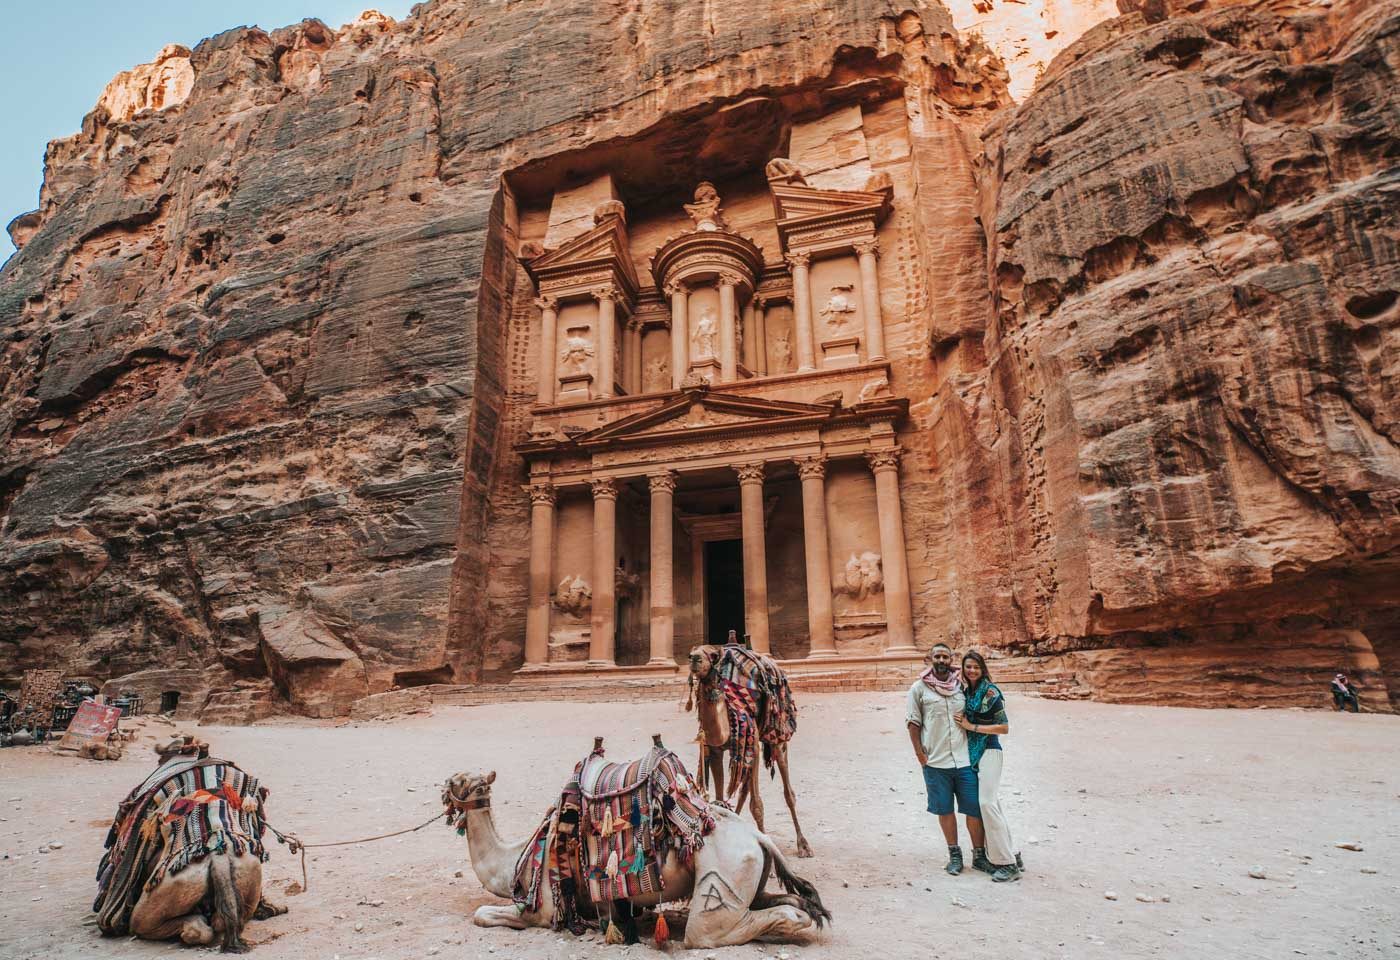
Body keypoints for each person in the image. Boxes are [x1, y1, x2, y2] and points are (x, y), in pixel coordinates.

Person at [906, 643, 985, 875]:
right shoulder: (918, 689)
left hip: (964, 759)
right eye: (937, 656)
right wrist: (921, 756)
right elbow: (913, 723)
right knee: (945, 809)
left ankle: (979, 855)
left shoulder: (962, 685)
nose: (941, 660)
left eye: (945, 656)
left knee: (974, 809)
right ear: (929, 659)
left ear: (951, 659)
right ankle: (954, 854)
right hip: (936, 760)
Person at [956, 651, 1022, 882]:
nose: (972, 670)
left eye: (976, 667)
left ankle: (1007, 864)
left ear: (982, 669)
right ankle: (1012, 853)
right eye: (968, 667)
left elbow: (1003, 727)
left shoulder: (991, 693)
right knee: (993, 803)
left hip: (991, 751)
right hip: (974, 754)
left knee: (986, 803)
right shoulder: (967, 693)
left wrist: (971, 726)